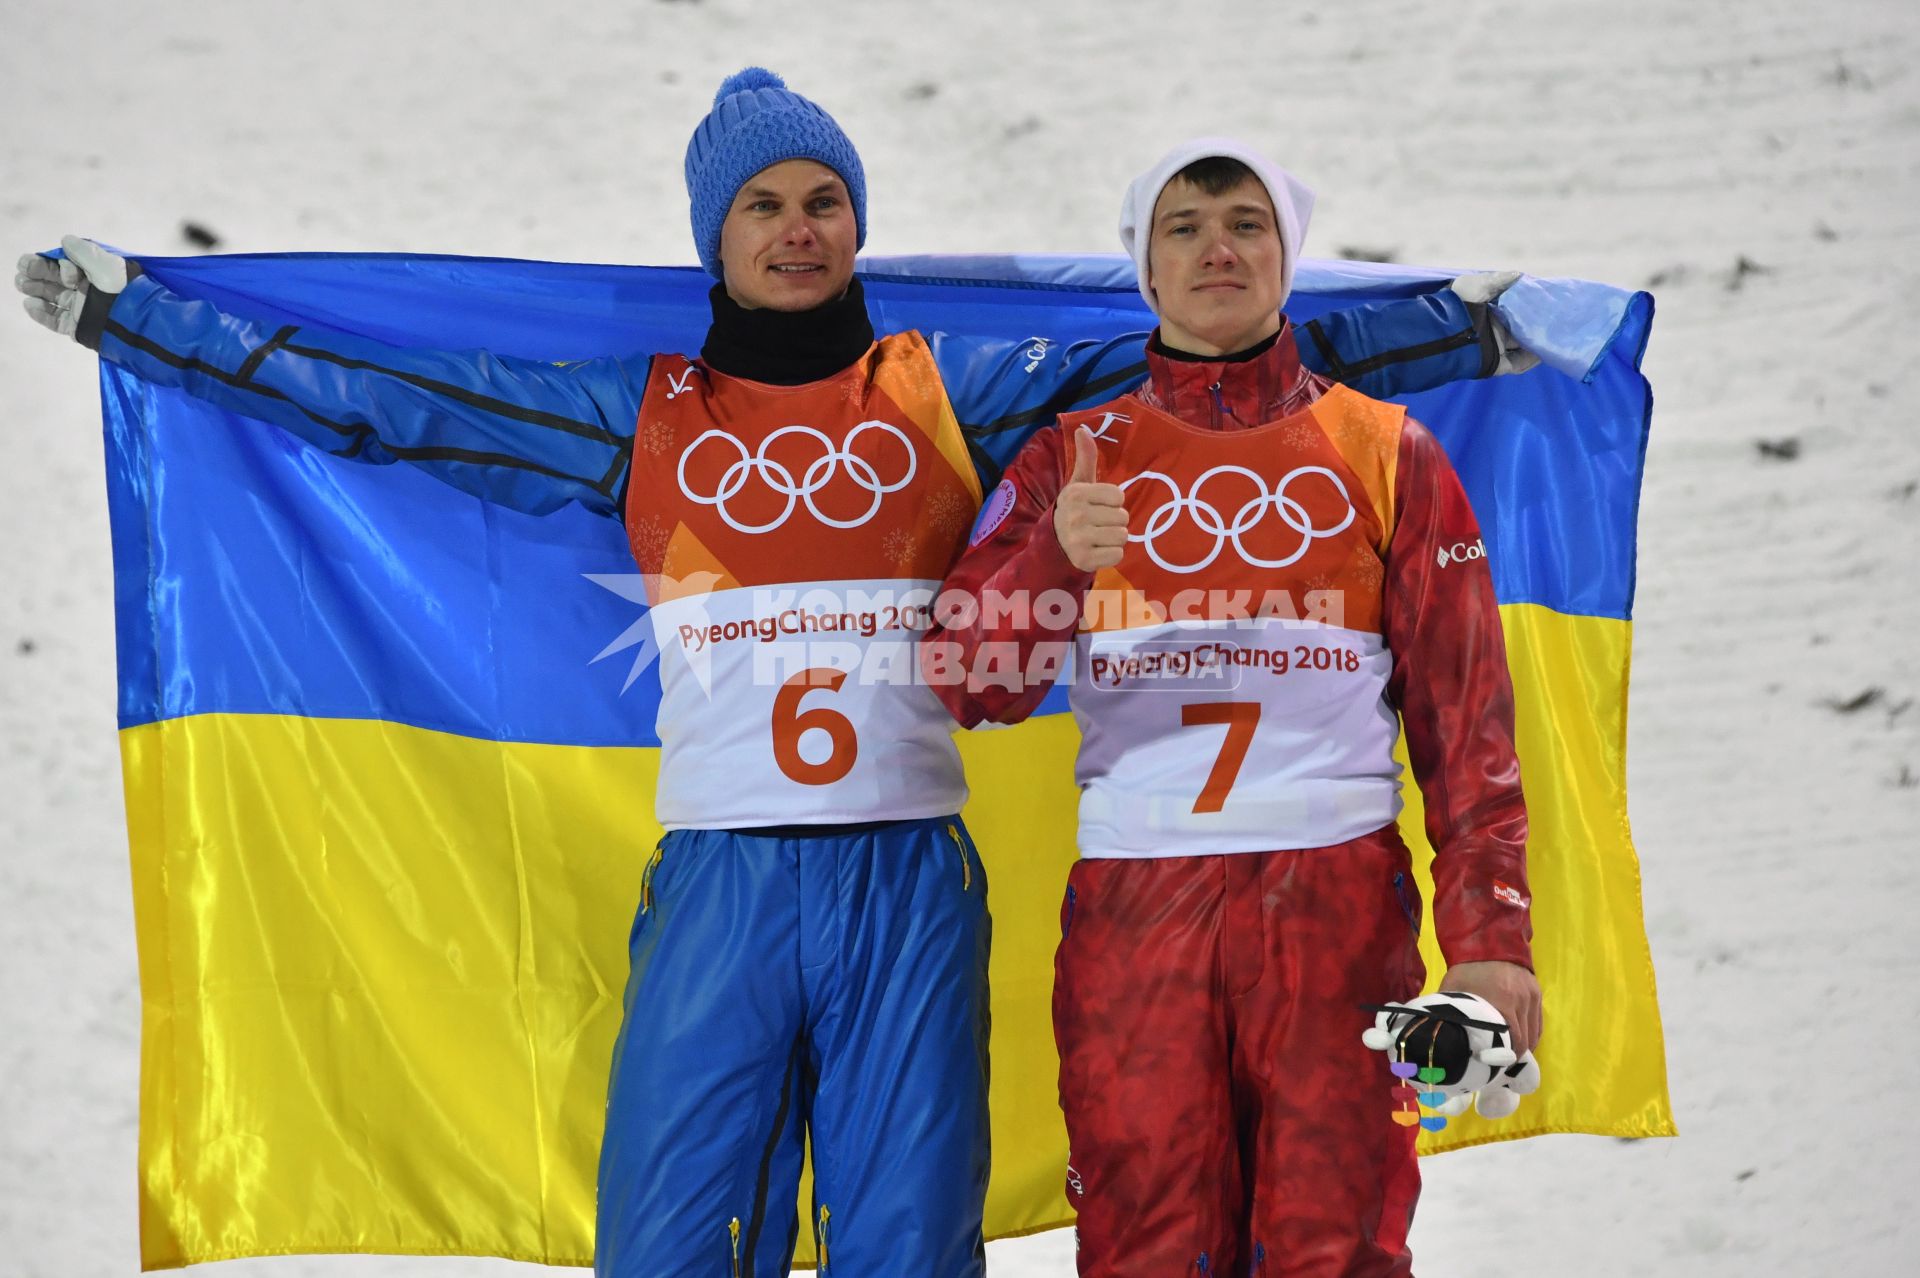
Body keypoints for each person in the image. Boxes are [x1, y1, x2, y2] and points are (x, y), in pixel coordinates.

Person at [16, 72, 1533, 1276]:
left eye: (825, 200)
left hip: (909, 883)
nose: (799, 228)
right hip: (726, 877)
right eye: (764, 205)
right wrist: (150, 323)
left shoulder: (954, 387)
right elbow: (396, 400)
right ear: (714, 236)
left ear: (858, 226)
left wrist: (1460, 324)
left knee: (905, 1247)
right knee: (673, 1237)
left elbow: (1216, 354)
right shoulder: (644, 410)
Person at [920, 138, 1543, 1277]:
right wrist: (1050, 561)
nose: (1219, 247)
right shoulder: (1077, 454)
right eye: (1185, 226)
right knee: (1147, 1247)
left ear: (1288, 259)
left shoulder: (1387, 450)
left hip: (1338, 909)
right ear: (1145, 274)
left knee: (1336, 1244)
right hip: (1136, 913)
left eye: (1248, 223)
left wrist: (1492, 939)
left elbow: (1468, 724)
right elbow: (971, 684)